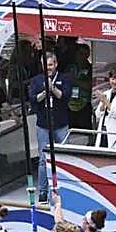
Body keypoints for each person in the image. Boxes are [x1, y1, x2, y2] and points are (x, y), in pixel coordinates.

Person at [28, 50, 73, 202]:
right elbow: (33, 99)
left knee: (64, 158)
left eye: (51, 65)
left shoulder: (64, 78)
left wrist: (53, 88)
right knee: (43, 159)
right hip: (43, 125)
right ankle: (43, 191)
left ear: (56, 64)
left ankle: (66, 189)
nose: (48, 68)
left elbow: (65, 96)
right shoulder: (36, 80)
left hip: (61, 124)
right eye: (46, 65)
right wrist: (44, 92)